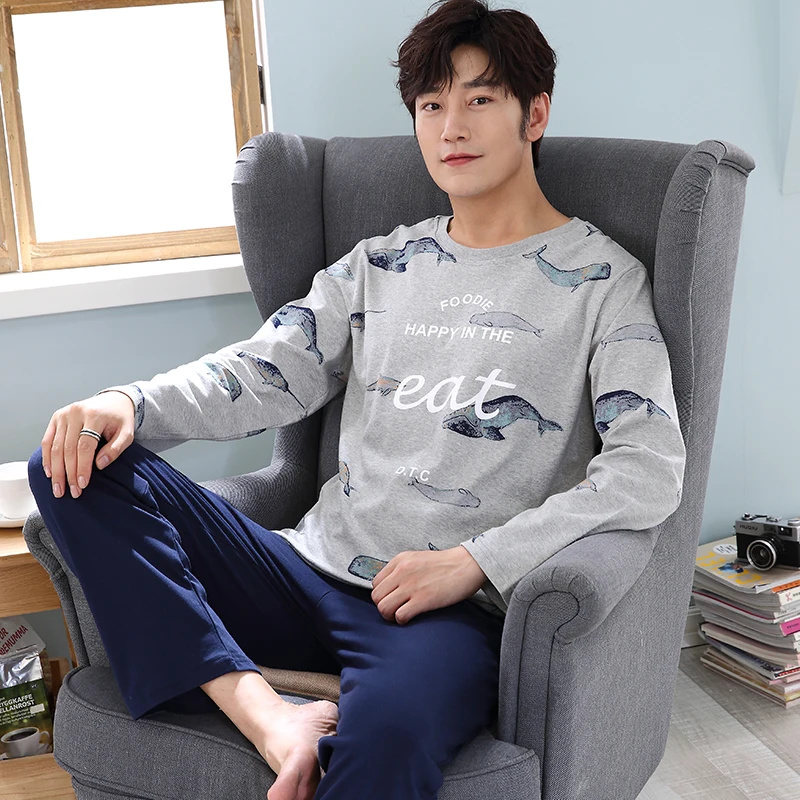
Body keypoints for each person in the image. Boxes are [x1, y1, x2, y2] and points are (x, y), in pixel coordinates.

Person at [27, 1, 686, 798]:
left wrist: (477, 561)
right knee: (74, 461)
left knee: (387, 744)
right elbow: (263, 371)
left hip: (441, 614)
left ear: (534, 115)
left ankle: (286, 706)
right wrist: (130, 402)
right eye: (431, 105)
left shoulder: (605, 282)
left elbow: (647, 468)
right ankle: (265, 714)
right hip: (302, 568)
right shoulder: (377, 265)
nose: (451, 127)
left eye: (479, 99)